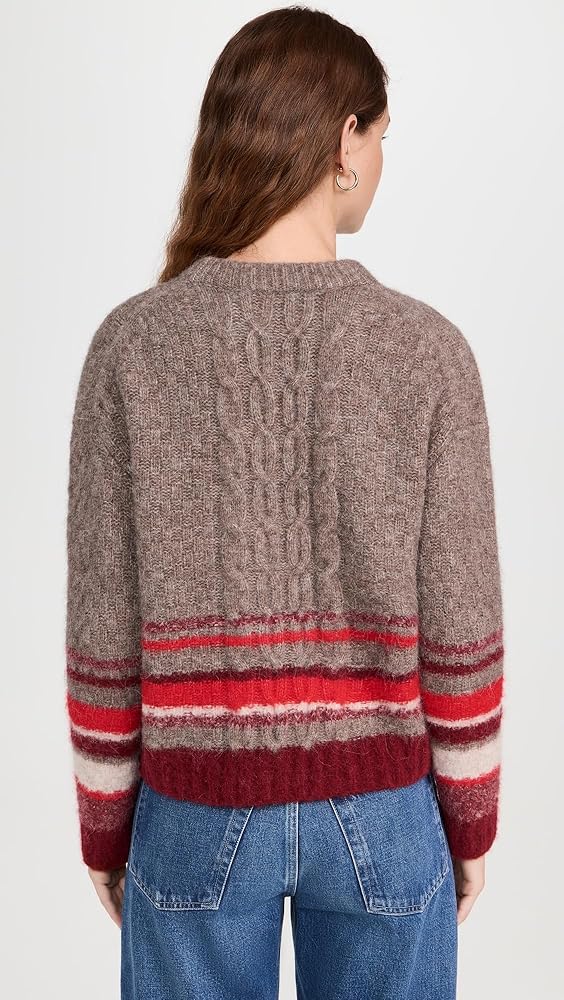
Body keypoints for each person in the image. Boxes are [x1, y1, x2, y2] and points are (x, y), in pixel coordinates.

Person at [64, 7, 504, 999]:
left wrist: (104, 821)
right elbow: (463, 616)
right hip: (385, 810)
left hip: (195, 805)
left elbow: (102, 623)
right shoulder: (428, 351)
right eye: (380, 134)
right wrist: (470, 816)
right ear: (344, 140)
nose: (381, 159)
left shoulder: (132, 345)